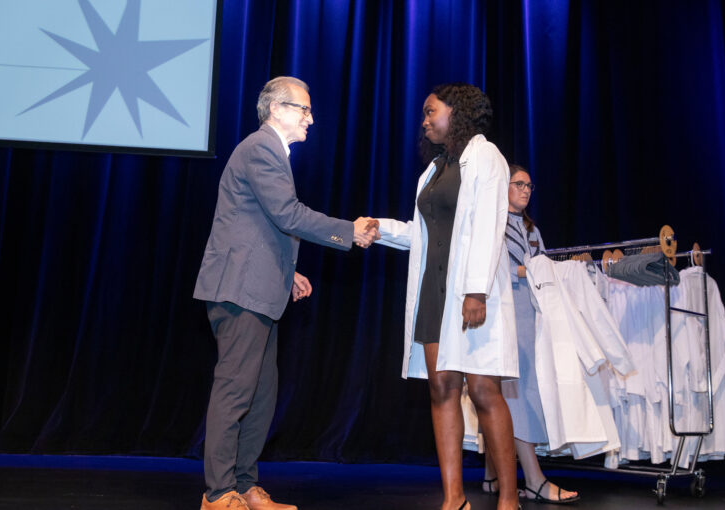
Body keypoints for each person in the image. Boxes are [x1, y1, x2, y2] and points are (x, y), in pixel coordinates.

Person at [193, 76, 379, 510]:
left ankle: (245, 485)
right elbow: (286, 213)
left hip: (259, 289)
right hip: (239, 291)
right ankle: (218, 494)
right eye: (304, 109)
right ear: (276, 108)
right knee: (236, 390)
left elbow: (261, 224)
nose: (310, 119)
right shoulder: (261, 147)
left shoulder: (273, 152)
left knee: (261, 395)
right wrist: (347, 231)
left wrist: (287, 272)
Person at [375, 83, 519, 510]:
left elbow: (491, 228)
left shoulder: (486, 156)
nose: (424, 120)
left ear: (456, 112)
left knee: (482, 389)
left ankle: (509, 498)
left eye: (430, 111)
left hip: (471, 294)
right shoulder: (435, 169)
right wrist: (376, 228)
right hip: (434, 294)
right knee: (441, 388)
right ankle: (454, 499)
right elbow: (422, 236)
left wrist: (476, 291)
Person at [479, 164, 580, 504]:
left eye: (529, 186)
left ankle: (493, 471)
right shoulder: (491, 222)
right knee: (509, 395)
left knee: (511, 394)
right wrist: (531, 269)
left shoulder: (530, 228)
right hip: (501, 318)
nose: (525, 190)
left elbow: (541, 267)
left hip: (530, 317)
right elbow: (492, 268)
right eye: (518, 184)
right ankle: (533, 479)